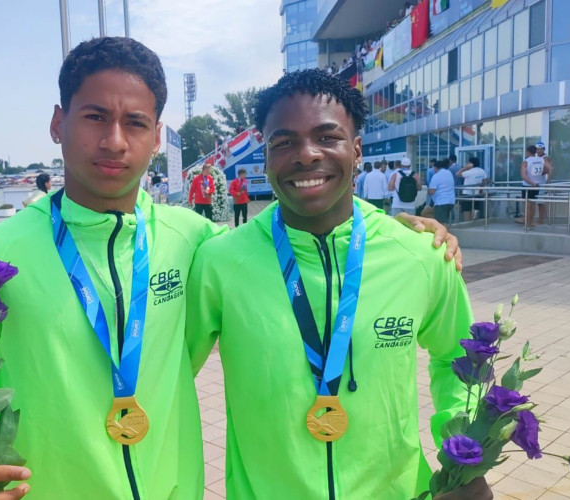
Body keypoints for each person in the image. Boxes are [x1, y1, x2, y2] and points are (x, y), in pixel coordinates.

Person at [0, 36, 227, 500]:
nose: (114, 141)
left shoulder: (195, 241)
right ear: (58, 123)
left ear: (157, 137)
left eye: (135, 123)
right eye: (95, 116)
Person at [185, 68, 489, 500]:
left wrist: (463, 455)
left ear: (357, 149)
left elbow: (460, 362)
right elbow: (167, 374)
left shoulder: (420, 255)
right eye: (283, 142)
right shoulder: (220, 262)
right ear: (266, 158)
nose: (306, 155)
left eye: (327, 137)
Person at [521, 145, 551, 230]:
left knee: (527, 206)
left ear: (528, 152)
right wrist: (546, 178)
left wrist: (532, 182)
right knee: (533, 205)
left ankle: (527, 224)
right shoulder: (541, 160)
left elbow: (523, 175)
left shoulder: (526, 161)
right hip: (537, 185)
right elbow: (549, 169)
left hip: (527, 186)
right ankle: (530, 223)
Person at [456, 157, 488, 222]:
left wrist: (465, 168)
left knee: (467, 210)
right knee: (475, 210)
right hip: (477, 193)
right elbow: (485, 180)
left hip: (467, 193)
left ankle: (467, 223)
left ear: (471, 164)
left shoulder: (470, 172)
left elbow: (458, 174)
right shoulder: (482, 171)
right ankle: (474, 222)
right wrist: (481, 188)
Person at [428, 159, 455, 225]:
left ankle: (444, 235)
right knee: (445, 221)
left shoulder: (436, 176)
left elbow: (431, 191)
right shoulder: (449, 173)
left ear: (435, 167)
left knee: (441, 224)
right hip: (451, 201)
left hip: (441, 202)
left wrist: (428, 192)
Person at [534, 141, 552, 225]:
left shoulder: (544, 158)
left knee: (540, 202)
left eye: (540, 149)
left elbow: (550, 169)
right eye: (537, 149)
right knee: (538, 202)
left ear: (543, 149)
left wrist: (548, 181)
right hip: (537, 183)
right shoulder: (537, 158)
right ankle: (540, 219)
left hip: (541, 183)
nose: (538, 151)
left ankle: (540, 220)